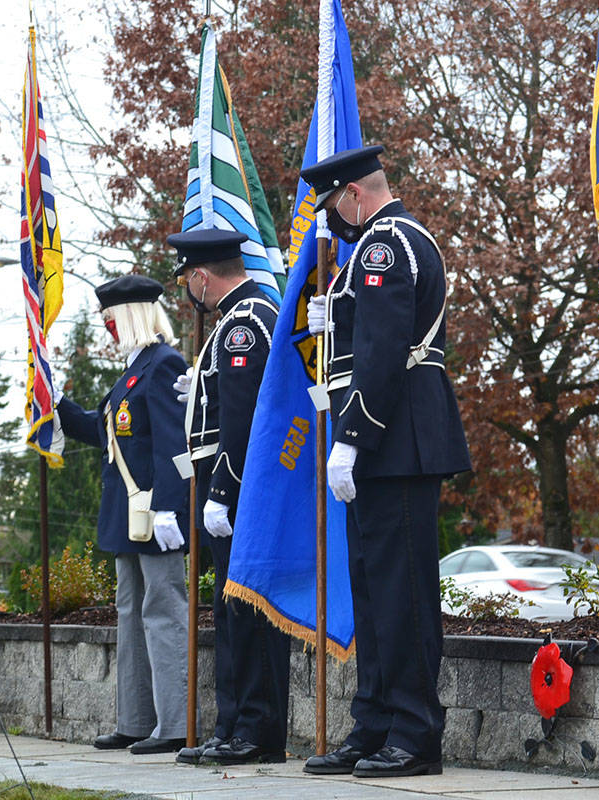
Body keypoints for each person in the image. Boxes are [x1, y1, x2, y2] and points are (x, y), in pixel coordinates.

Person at [299, 145, 471, 778]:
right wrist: (336, 318)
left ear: (352, 194)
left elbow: (382, 351)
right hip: (388, 439)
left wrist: (354, 436)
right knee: (373, 592)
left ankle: (414, 731)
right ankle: (374, 722)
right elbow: (365, 336)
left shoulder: (384, 242)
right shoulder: (382, 244)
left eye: (332, 206)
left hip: (395, 438)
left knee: (402, 595)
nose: (331, 221)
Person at [165, 228, 291, 765]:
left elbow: (241, 421)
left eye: (189, 283)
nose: (191, 294)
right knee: (230, 609)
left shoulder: (243, 323)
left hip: (236, 486)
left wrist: (221, 490)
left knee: (249, 611)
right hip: (228, 483)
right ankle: (235, 724)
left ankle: (256, 731)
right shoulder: (238, 321)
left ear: (200, 276)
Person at [57, 274, 190, 756]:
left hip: (153, 510)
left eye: (111, 319)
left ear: (131, 316)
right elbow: (107, 433)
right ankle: (136, 720)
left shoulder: (162, 363)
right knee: (131, 612)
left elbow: (174, 442)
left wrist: (171, 506)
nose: (107, 328)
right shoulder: (133, 371)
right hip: (126, 511)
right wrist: (57, 404)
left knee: (163, 611)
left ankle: (175, 724)